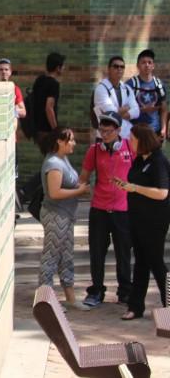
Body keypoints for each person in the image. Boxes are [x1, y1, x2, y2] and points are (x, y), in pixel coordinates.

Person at [114, 124, 170, 320]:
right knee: (141, 263)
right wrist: (127, 186)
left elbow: (162, 193)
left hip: (155, 221)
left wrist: (135, 188)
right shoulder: (139, 161)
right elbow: (135, 185)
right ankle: (135, 307)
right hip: (137, 219)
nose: (129, 141)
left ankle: (169, 305)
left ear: (142, 139)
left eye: (132, 138)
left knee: (156, 263)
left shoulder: (158, 161)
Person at [79, 112, 134, 309]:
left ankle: (125, 292)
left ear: (119, 130)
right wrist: (81, 189)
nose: (104, 134)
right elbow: (84, 176)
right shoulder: (94, 151)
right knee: (97, 252)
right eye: (101, 130)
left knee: (123, 252)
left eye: (108, 131)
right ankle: (96, 291)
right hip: (99, 209)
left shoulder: (129, 147)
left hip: (123, 210)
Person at [38, 126, 90, 309]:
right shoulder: (53, 163)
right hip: (55, 215)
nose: (74, 143)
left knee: (66, 257)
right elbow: (54, 192)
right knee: (51, 257)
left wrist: (80, 187)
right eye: (71, 140)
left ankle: (71, 299)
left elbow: (69, 183)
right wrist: (79, 191)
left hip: (67, 216)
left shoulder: (63, 159)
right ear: (60, 141)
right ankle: (45, 301)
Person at [92, 56, 138, 141]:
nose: (119, 69)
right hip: (105, 138)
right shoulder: (101, 89)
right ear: (109, 69)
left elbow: (136, 111)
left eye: (122, 67)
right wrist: (127, 108)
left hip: (125, 136)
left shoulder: (127, 88)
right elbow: (111, 114)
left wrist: (119, 113)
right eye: (116, 66)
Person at [128, 49, 167, 139]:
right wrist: (141, 110)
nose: (147, 65)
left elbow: (164, 109)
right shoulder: (131, 85)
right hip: (136, 133)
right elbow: (125, 111)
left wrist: (163, 128)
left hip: (155, 132)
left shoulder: (159, 84)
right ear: (138, 65)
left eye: (150, 62)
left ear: (153, 66)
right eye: (143, 62)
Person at [28, 52, 65, 143]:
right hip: (47, 130)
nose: (64, 69)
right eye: (62, 66)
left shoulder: (39, 80)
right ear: (58, 68)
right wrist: (56, 130)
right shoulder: (54, 84)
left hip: (37, 127)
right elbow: (49, 108)